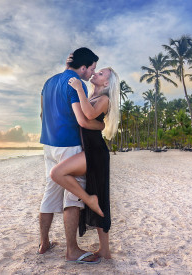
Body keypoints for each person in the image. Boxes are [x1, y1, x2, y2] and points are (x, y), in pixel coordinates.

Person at [39, 47, 103, 264]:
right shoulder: (76, 84)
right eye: (91, 68)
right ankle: (72, 250)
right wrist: (101, 124)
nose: (91, 73)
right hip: (69, 145)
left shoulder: (48, 82)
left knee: (50, 193)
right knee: (72, 198)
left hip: (48, 145)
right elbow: (83, 120)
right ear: (83, 67)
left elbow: (41, 114)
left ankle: (44, 243)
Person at [50, 64, 120, 260]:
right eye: (96, 71)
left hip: (95, 152)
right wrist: (99, 124)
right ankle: (104, 250)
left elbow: (88, 115)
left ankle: (104, 247)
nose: (95, 74)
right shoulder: (91, 98)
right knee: (98, 194)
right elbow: (86, 121)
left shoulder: (104, 98)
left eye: (100, 73)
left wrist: (79, 88)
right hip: (87, 149)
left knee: (58, 174)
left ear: (106, 82)